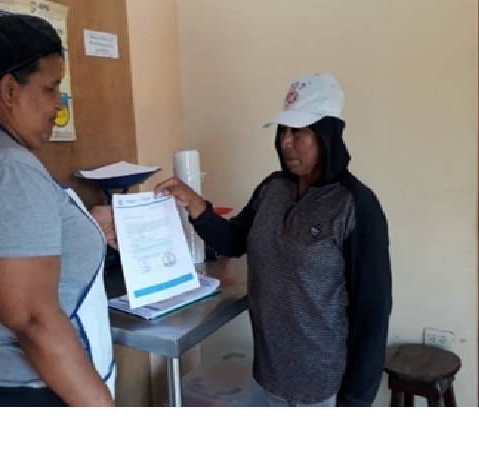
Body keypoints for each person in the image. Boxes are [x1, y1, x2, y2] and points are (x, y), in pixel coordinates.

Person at [155, 73, 392, 407]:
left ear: (327, 134)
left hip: (322, 386)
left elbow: (373, 311)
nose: (286, 142)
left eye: (299, 132)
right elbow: (234, 241)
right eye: (283, 131)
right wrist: (194, 203)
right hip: (270, 373)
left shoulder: (354, 205)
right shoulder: (272, 189)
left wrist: (355, 401)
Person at [0, 14, 117, 407]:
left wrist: (85, 226)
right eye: (50, 88)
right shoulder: (9, 168)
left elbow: (19, 235)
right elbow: (32, 319)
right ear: (9, 89)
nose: (58, 105)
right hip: (28, 389)